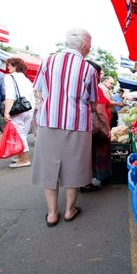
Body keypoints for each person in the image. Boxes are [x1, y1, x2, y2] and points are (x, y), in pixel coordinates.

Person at [31, 27, 99, 227]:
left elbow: (40, 92)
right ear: (84, 46)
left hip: (48, 122)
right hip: (77, 124)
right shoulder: (88, 69)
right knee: (74, 168)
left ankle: (52, 213)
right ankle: (69, 210)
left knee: (47, 168)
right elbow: (93, 102)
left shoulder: (48, 61)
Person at [80, 60, 112, 193]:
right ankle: (100, 177)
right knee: (100, 151)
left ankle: (84, 181)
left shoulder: (80, 85)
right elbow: (100, 110)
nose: (100, 76)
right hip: (96, 128)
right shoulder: (95, 88)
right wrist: (107, 127)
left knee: (86, 154)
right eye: (99, 73)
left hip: (84, 127)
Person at [3, 57, 35, 168]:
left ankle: (25, 159)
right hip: (28, 109)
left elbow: (10, 96)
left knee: (19, 134)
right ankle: (19, 156)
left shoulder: (9, 78)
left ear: (15, 66)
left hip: (18, 110)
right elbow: (32, 97)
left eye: (9, 65)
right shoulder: (27, 80)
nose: (7, 67)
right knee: (23, 133)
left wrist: (6, 112)